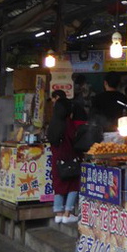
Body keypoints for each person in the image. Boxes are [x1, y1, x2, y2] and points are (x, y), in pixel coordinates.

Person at [46, 90, 81, 224]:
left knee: (59, 184)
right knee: (73, 184)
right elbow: (74, 138)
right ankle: (68, 213)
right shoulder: (68, 123)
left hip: (57, 159)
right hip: (69, 158)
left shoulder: (53, 123)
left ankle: (58, 212)